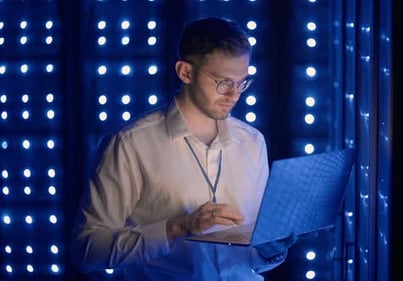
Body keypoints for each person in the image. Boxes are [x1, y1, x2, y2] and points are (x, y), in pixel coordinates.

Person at [71, 16, 297, 281]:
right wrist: (177, 228)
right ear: (185, 72)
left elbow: (251, 259)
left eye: (242, 82)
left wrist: (271, 248)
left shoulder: (252, 142)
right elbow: (85, 251)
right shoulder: (130, 145)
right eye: (224, 82)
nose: (234, 95)